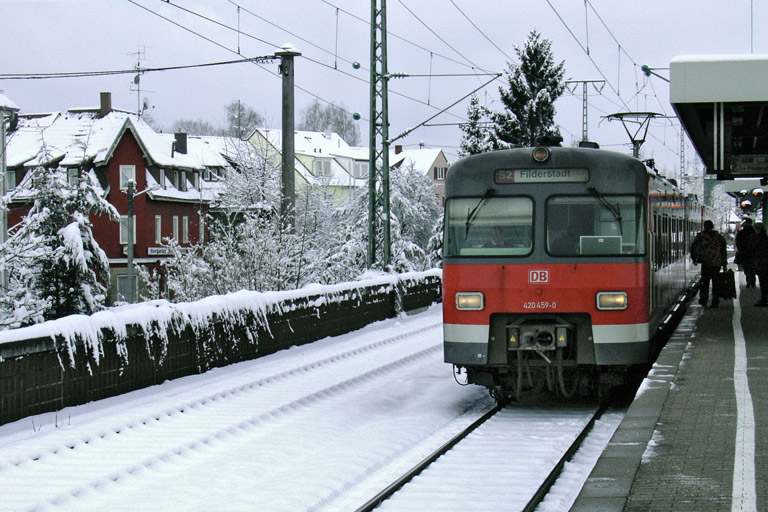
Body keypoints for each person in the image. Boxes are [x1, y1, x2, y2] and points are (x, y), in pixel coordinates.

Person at [690, 220, 727, 308]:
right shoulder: (719, 237)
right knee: (716, 283)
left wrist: (694, 259)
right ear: (712, 226)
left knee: (705, 283)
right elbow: (723, 251)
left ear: (704, 226)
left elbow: (693, 248)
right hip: (716, 263)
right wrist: (724, 264)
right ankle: (715, 302)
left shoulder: (701, 237)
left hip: (705, 263)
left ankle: (703, 300)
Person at [735, 218, 757, 288]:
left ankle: (748, 281)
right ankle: (752, 281)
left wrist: (741, 250)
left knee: (746, 268)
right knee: (752, 268)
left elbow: (738, 243)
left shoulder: (741, 233)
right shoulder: (754, 232)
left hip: (743, 254)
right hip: (753, 254)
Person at [751, 222, 768, 307]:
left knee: (763, 282)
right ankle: (764, 299)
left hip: (762, 263)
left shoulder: (761, 239)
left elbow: (759, 250)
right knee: (764, 282)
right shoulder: (763, 237)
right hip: (762, 262)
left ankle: (764, 299)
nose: (754, 230)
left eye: (755, 228)